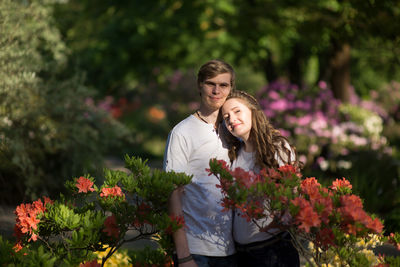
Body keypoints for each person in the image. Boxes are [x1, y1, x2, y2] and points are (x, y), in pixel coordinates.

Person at [163, 59, 237, 267]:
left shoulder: (235, 130)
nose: (216, 90)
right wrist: (184, 255)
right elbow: (173, 193)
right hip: (196, 251)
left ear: (231, 89)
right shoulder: (182, 132)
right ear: (199, 86)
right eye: (210, 83)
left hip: (232, 249)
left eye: (223, 85)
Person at [219, 90, 300, 267]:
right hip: (242, 254)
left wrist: (276, 226)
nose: (232, 119)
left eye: (237, 111)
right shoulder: (236, 155)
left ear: (253, 111)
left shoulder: (277, 147)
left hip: (273, 251)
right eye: (226, 117)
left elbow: (294, 196)